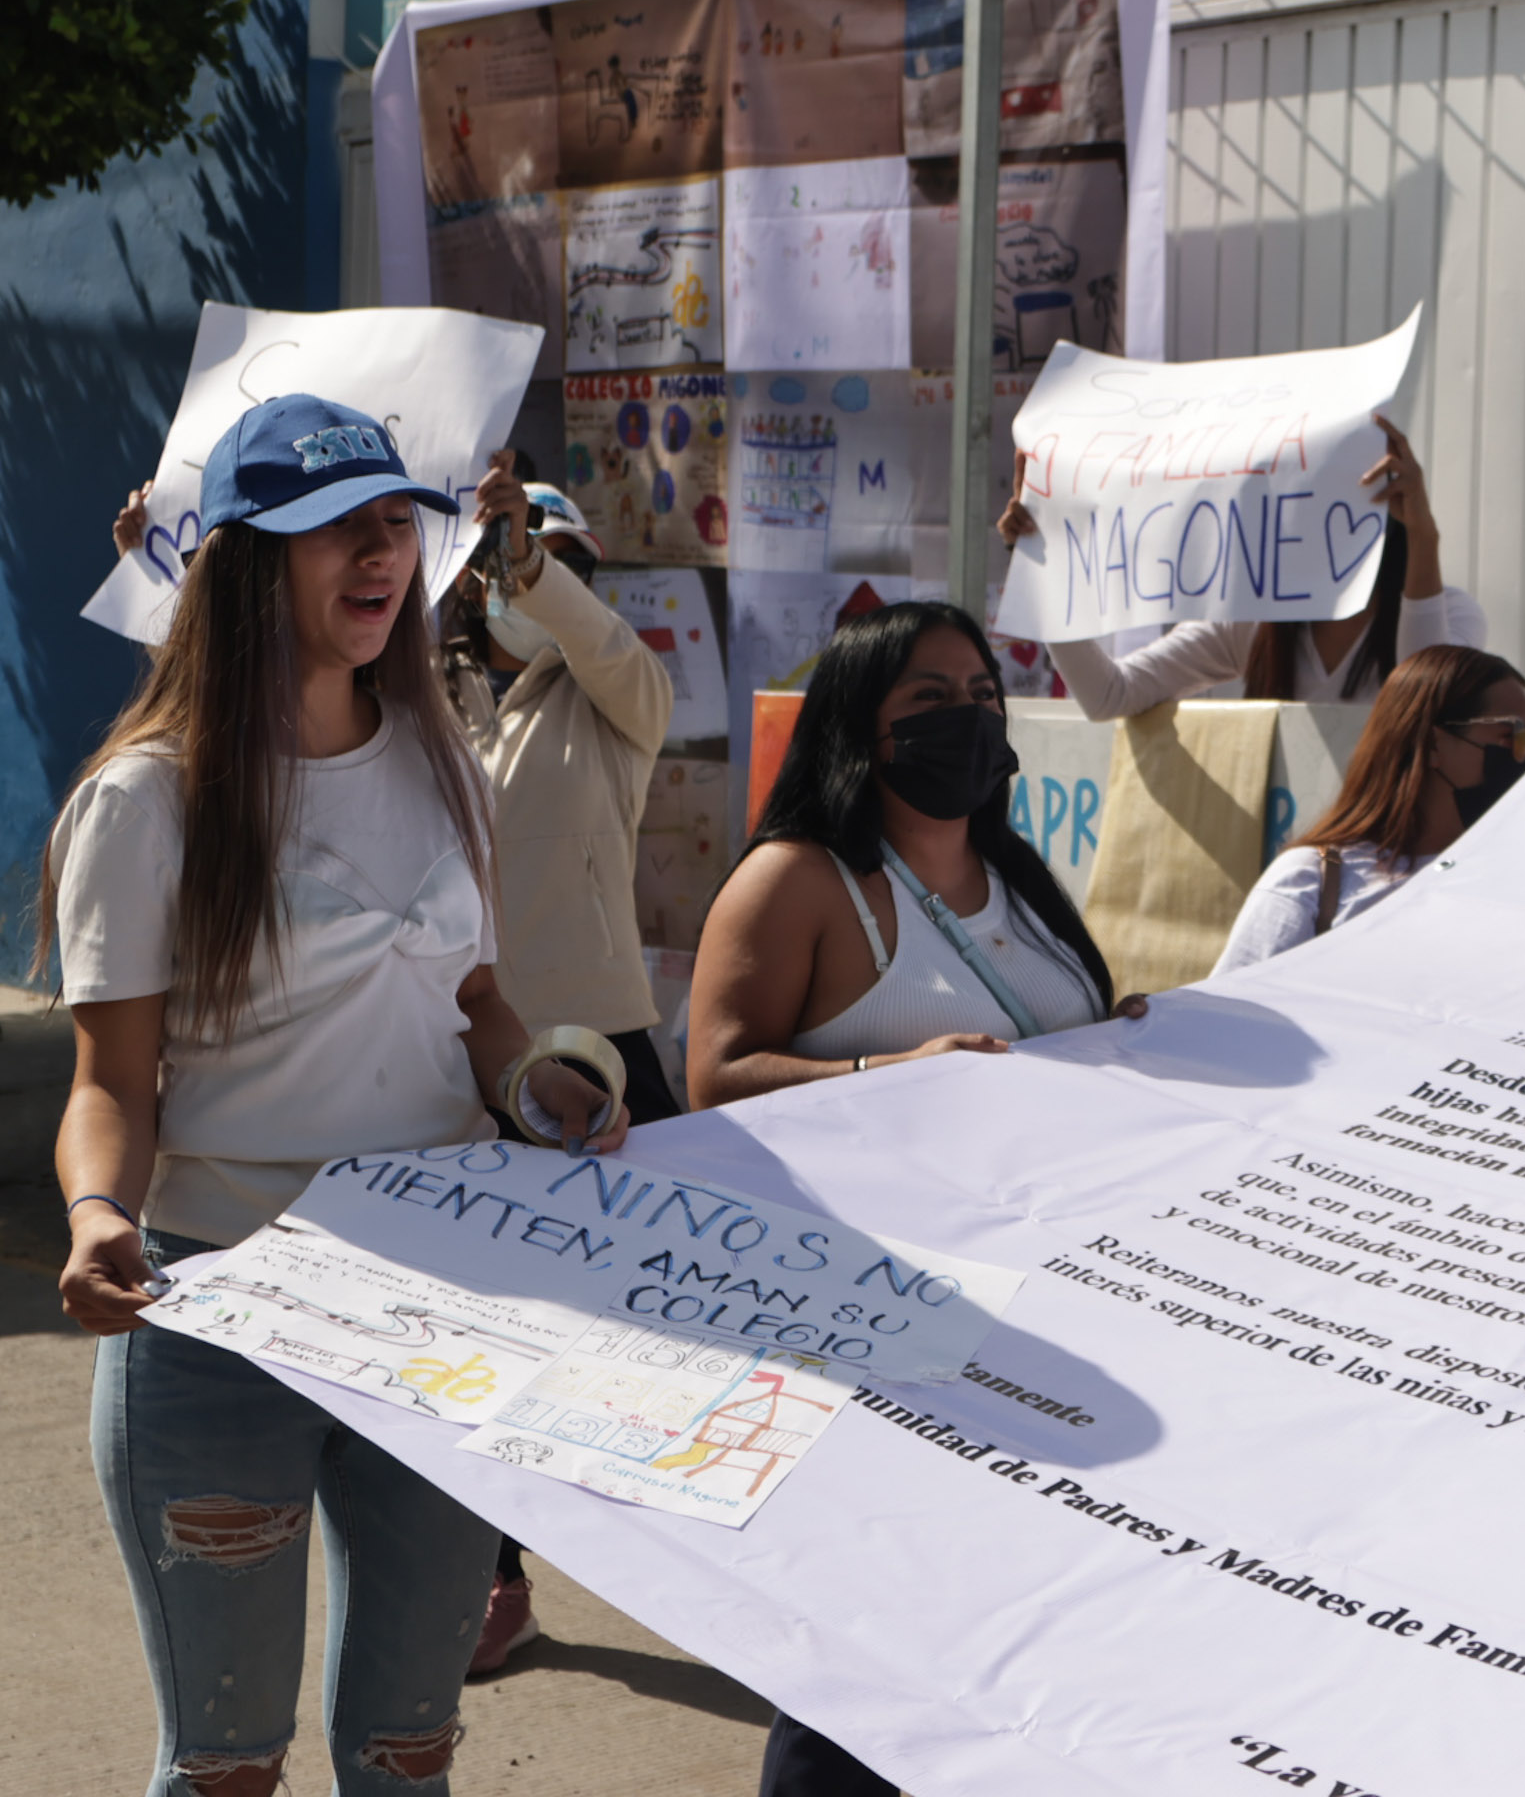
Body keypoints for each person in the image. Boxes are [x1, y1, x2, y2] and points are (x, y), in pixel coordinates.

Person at [50, 394, 625, 1797]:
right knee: (229, 1766)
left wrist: (536, 1078)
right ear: (248, 561)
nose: (374, 556)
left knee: (407, 1754)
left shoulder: (448, 761)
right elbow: (111, 1080)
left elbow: (472, 1005)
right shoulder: (149, 798)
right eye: (331, 531)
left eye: (389, 525)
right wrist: (95, 1211)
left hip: (436, 1312)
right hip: (218, 1319)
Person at [682, 601, 1141, 1795]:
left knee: (1008, 1649)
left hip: (1040, 1327)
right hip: (869, 1335)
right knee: (858, 1668)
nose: (969, 719)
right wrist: (889, 1076)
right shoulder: (800, 879)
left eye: (983, 695)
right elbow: (714, 1076)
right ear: (860, 729)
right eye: (929, 701)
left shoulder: (1024, 884)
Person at [440, 460, 675, 1674]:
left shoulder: (619, 698)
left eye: (547, 564)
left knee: (663, 1323)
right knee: (486, 1323)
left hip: (602, 1040)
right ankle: (495, 1579)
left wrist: (527, 554)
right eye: (495, 566)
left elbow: (600, 641)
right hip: (465, 1049)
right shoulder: (431, 699)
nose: (522, 584)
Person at [999, 416, 1488, 715]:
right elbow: (1110, 695)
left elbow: (1426, 705)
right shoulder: (1253, 623)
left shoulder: (1453, 615)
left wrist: (1426, 536)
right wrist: (1046, 566)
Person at [1215, 645, 1525, 973]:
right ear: (1432, 744)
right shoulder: (1313, 879)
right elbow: (1225, 1014)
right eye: (1511, 736)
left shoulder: (1516, 882)